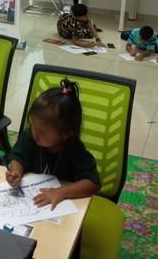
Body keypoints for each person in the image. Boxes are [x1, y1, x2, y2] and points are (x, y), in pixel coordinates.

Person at [6, 77, 101, 210]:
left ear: (66, 134)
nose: (35, 134)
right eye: (33, 126)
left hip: (63, 207)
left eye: (43, 132)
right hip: (32, 200)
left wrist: (62, 192)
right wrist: (16, 172)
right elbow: (17, 157)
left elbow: (93, 184)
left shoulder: (75, 150)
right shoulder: (30, 136)